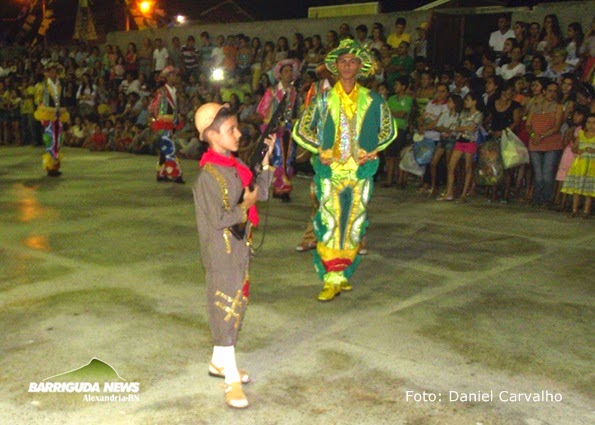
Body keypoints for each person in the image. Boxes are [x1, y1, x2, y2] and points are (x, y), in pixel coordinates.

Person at [292, 39, 397, 301]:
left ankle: (342, 272)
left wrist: (373, 149)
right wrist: (320, 149)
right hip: (332, 172)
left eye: (352, 62)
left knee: (353, 222)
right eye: (342, 61)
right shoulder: (323, 99)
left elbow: (389, 130)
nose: (347, 66)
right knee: (330, 221)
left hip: (360, 172)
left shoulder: (373, 99)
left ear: (360, 67)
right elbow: (302, 129)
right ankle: (331, 276)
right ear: (335, 67)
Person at [192, 102, 274, 409]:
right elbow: (219, 218)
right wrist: (245, 206)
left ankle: (218, 362)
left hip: (239, 248)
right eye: (231, 130)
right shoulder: (207, 177)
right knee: (225, 309)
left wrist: (264, 161)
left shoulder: (236, 165)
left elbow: (259, 192)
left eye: (237, 128)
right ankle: (231, 381)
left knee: (237, 303)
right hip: (221, 254)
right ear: (212, 136)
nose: (239, 134)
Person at [256, 58, 299, 202]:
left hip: (288, 128)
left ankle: (282, 186)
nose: (288, 74)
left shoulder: (293, 92)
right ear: (280, 74)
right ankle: (279, 187)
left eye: (290, 71)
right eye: (285, 71)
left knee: (289, 156)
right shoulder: (272, 91)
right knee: (279, 156)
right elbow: (262, 110)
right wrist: (271, 121)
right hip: (274, 128)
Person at [438, 91, 485, 202]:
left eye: (468, 100)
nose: (466, 102)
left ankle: (463, 194)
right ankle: (449, 192)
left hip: (469, 142)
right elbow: (459, 126)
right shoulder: (464, 113)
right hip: (460, 141)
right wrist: (462, 128)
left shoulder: (478, 114)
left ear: (474, 101)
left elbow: (471, 128)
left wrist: (459, 128)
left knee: (468, 167)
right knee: (451, 166)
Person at [526, 80, 564, 207]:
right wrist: (533, 135)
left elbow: (556, 127)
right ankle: (537, 198)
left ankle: (547, 199)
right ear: (544, 91)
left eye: (555, 92)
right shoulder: (535, 106)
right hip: (536, 143)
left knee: (547, 173)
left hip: (551, 143)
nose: (552, 94)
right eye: (549, 91)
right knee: (538, 174)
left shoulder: (558, 107)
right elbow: (528, 124)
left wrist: (541, 136)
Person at [34, 63, 70, 177]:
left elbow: (63, 99)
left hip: (59, 115)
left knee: (58, 140)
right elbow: (40, 103)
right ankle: (49, 167)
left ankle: (55, 166)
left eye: (55, 71)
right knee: (50, 140)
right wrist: (53, 110)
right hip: (48, 116)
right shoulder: (43, 86)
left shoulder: (60, 85)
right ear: (48, 73)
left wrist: (62, 109)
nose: (53, 73)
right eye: (51, 71)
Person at [150, 66, 184, 183]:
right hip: (164, 124)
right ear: (168, 77)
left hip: (170, 124)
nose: (176, 78)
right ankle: (174, 174)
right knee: (169, 149)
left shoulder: (173, 91)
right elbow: (157, 108)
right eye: (174, 75)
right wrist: (161, 120)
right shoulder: (162, 92)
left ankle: (161, 173)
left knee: (166, 149)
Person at [561, 113, 595, 218]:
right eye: (589, 122)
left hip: (592, 166)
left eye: (594, 123)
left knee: (589, 189)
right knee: (577, 188)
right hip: (580, 164)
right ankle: (574, 209)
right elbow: (573, 148)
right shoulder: (581, 134)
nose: (591, 125)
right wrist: (578, 150)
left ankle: (586, 211)